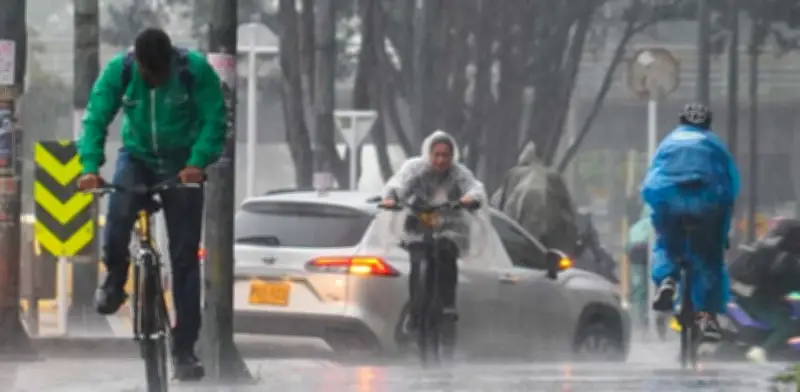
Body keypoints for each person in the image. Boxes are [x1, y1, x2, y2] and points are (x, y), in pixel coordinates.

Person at [76, 28, 226, 380]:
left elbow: (215, 120)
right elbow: (96, 118)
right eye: (147, 73)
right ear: (139, 64)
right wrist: (88, 167)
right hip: (138, 157)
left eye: (159, 74)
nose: (153, 80)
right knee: (117, 215)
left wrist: (197, 163)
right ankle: (115, 280)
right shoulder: (121, 71)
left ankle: (185, 351)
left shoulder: (195, 71)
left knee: (185, 259)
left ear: (170, 62)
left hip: (182, 163)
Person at [378, 130, 486, 356]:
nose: (440, 160)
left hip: (449, 228)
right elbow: (397, 185)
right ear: (429, 153)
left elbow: (475, 189)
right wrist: (391, 198)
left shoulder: (459, 173)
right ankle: (414, 313)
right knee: (418, 261)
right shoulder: (414, 169)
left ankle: (448, 306)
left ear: (452, 156)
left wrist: (469, 199)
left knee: (447, 253)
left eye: (445, 155)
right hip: (418, 227)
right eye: (436, 155)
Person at [641, 103, 740, 342]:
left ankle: (667, 279)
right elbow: (731, 184)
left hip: (667, 198)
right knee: (710, 257)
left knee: (666, 243)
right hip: (707, 201)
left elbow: (652, 177)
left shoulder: (668, 141)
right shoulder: (715, 144)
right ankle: (709, 317)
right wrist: (722, 233)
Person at [491, 141, 579, 255]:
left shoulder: (513, 174)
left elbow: (496, 204)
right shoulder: (552, 176)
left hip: (517, 232)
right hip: (547, 232)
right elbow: (569, 208)